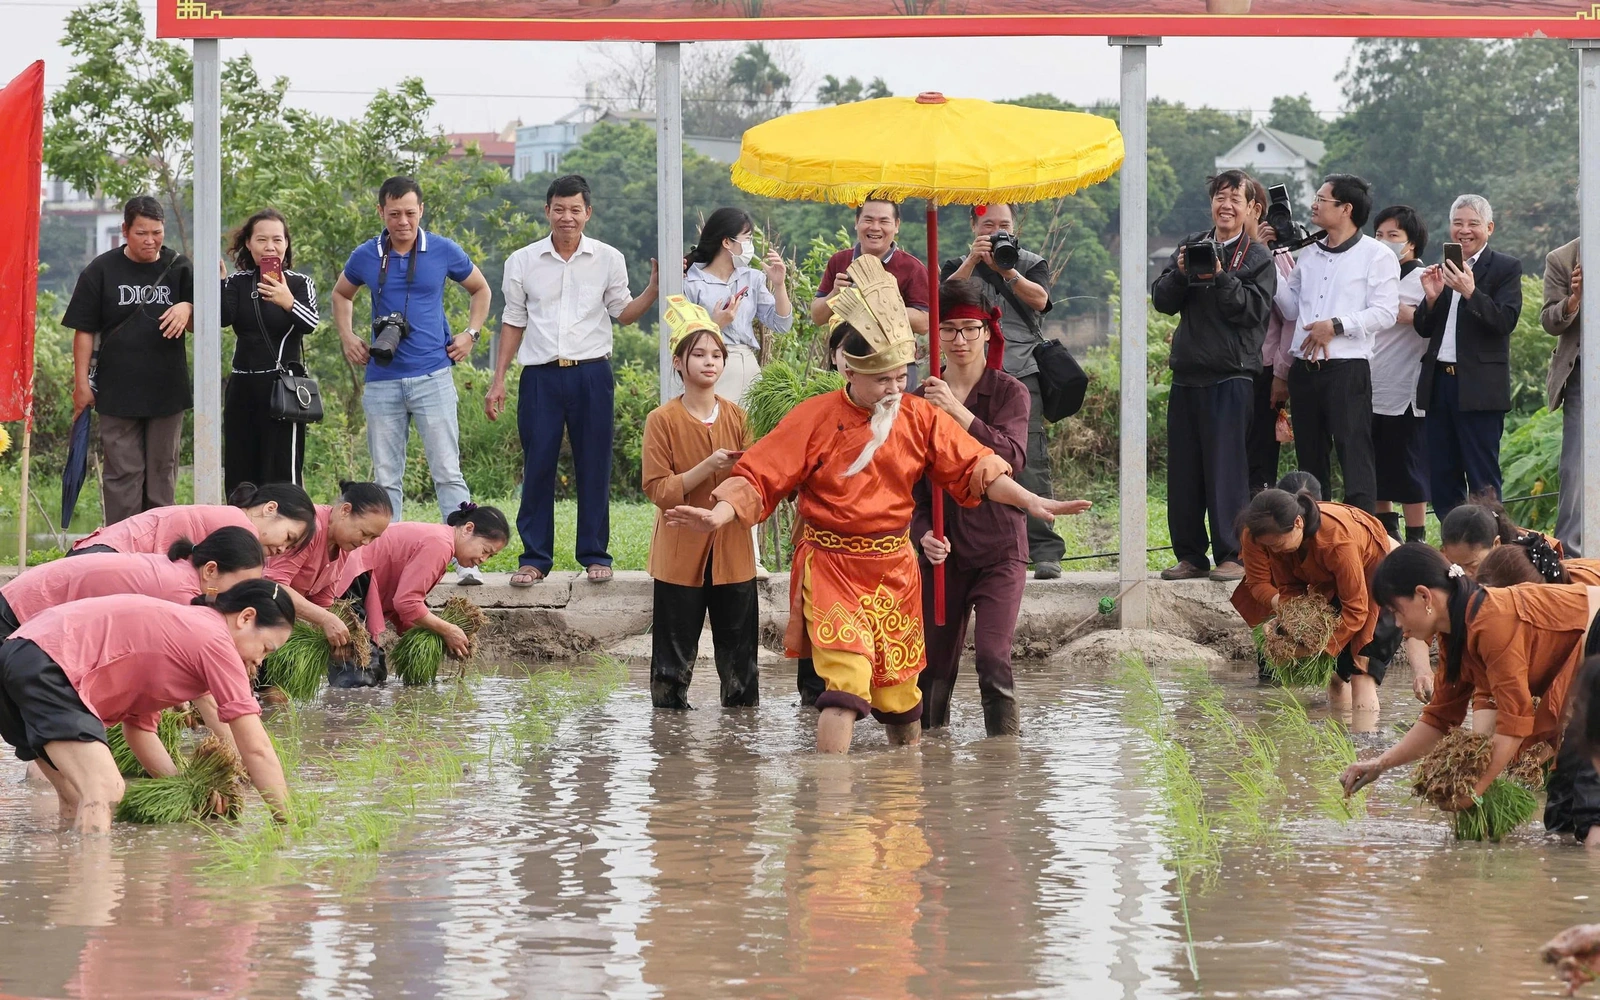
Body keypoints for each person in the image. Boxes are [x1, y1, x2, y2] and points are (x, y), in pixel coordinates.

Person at [665, 255, 1086, 753]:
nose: (895, 390)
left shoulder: (917, 417)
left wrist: (1032, 499)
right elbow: (760, 474)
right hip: (833, 568)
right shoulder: (815, 417)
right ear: (851, 370)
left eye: (901, 377)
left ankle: (905, 797)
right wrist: (717, 514)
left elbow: (977, 467)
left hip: (895, 570)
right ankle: (829, 809)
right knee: (844, 688)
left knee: (902, 702)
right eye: (883, 380)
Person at [0, 581, 296, 832]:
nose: (260, 661)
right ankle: (92, 888)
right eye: (266, 648)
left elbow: (139, 732)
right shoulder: (215, 640)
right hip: (48, 660)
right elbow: (256, 747)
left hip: (18, 653)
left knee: (77, 797)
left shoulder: (182, 633)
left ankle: (55, 885)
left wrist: (187, 790)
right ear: (246, 617)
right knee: (104, 790)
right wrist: (288, 820)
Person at [1340, 544, 1600, 826]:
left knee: (1587, 812)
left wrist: (1474, 790)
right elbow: (1440, 718)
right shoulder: (1455, 633)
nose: (1397, 624)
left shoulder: (1491, 622)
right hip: (1589, 668)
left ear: (1424, 595)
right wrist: (1379, 764)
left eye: (1396, 611)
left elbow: (1515, 722)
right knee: (1562, 816)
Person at [487, 174, 660, 587]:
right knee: (538, 465)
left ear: (588, 213)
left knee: (594, 464)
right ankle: (534, 558)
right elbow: (513, 321)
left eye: (575, 210)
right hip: (540, 378)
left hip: (592, 374)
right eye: (559, 209)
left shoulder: (608, 258)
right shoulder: (523, 260)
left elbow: (624, 311)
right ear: (547, 211)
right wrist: (499, 381)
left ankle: (595, 555)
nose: (567, 217)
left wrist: (653, 288)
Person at [332, 176, 491, 584]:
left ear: (421, 211)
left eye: (409, 212)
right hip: (382, 379)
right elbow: (341, 294)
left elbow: (480, 289)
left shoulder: (441, 249)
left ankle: (463, 559)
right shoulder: (367, 254)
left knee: (446, 469)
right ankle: (386, 559)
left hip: (433, 374)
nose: (402, 221)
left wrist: (470, 334)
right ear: (381, 212)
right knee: (386, 475)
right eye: (394, 213)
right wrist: (349, 336)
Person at [912, 279, 1033, 736]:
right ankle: (925, 760)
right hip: (944, 552)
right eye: (948, 330)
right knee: (932, 666)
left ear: (987, 331)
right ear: (936, 335)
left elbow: (1011, 458)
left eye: (969, 329)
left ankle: (1003, 758)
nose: (959, 340)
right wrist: (922, 532)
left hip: (1000, 548)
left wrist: (958, 414)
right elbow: (912, 488)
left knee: (992, 657)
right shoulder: (917, 402)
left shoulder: (1010, 393)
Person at [1151, 171, 1277, 582]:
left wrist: (1221, 277)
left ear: (1251, 209)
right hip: (1188, 373)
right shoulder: (1191, 245)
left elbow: (1253, 312)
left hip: (1231, 375)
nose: (1226, 206)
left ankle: (1232, 554)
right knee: (1184, 471)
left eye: (1235, 200)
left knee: (1226, 470)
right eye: (1220, 198)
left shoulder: (1257, 256)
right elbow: (1162, 301)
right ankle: (1189, 555)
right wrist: (1183, 272)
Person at [641, 302, 757, 710]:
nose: (710, 362)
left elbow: (756, 484)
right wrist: (705, 467)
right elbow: (657, 489)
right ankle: (670, 749)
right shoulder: (662, 419)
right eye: (699, 354)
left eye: (717, 355)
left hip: (734, 551)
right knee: (670, 671)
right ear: (678, 361)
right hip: (678, 553)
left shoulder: (741, 417)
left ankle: (741, 754)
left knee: (742, 671)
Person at [941, 203, 1067, 579]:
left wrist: (1006, 269)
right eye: (988, 224)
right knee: (965, 456)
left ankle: (1044, 549)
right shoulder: (956, 264)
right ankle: (977, 543)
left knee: (1028, 458)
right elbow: (940, 300)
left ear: (1015, 228)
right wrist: (973, 263)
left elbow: (1042, 301)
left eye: (1004, 225)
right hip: (968, 378)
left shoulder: (1029, 262)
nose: (997, 231)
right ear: (973, 225)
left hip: (1020, 373)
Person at [1235, 488, 1432, 724]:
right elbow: (1290, 589)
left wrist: (1316, 647)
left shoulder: (1337, 541)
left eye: (1277, 545)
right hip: (1340, 587)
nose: (1274, 552)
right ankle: (1338, 741)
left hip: (1382, 583)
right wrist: (1288, 624)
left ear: (1298, 523)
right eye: (1269, 548)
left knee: (1362, 670)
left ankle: (1365, 746)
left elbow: (1358, 609)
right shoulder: (1274, 541)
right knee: (1336, 676)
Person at [61, 195, 195, 525]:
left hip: (167, 391)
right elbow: (84, 332)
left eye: (157, 232)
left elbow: (203, 323)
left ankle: (159, 551)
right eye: (142, 233)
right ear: (125, 230)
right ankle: (123, 549)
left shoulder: (179, 267)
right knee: (123, 475)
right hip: (116, 392)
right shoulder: (100, 270)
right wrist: (81, 386)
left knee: (162, 474)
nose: (151, 240)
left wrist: (188, 307)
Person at [1272, 174, 1399, 514]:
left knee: (1354, 452)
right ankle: (1315, 531)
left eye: (1322, 199)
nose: (1314, 205)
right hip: (1304, 370)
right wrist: (1268, 260)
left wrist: (1337, 326)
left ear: (1346, 209)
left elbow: (1385, 312)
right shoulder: (1310, 253)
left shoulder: (1377, 254)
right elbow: (1289, 308)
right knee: (1310, 458)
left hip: (1347, 369)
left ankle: (1361, 533)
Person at [1414, 194, 1524, 520]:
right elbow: (1423, 328)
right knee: (1442, 476)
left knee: (1483, 480)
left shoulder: (1505, 267)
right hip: (1439, 386)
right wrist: (1432, 298)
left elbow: (1505, 321)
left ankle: (1491, 551)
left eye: (1473, 224)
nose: (1464, 231)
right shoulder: (1446, 266)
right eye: (1458, 223)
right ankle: (1453, 551)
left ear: (1489, 228)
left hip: (1478, 389)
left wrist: (1470, 291)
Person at [333, 503, 510, 687]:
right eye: (485, 550)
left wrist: (434, 638)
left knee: (376, 671)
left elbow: (402, 604)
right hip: (352, 579)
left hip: (359, 578)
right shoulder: (440, 544)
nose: (483, 559)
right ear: (468, 528)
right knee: (359, 677)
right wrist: (448, 630)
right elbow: (406, 603)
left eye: (490, 557)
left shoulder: (441, 542)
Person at [1, 527, 264, 638]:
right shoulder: (179, 590)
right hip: (18, 610)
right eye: (241, 586)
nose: (242, 596)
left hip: (25, 603)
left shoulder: (184, 571)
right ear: (210, 570)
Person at [220, 208, 320, 492]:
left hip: (282, 388)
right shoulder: (237, 283)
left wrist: (287, 300)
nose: (270, 247)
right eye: (261, 240)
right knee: (240, 468)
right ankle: (243, 531)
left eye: (277, 239)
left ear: (286, 243)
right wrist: (218, 283)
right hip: (242, 385)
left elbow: (311, 323)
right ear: (248, 244)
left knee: (281, 471)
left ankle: (287, 531)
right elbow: (223, 319)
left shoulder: (300, 283)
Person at [812, 196, 931, 388]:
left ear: (897, 225)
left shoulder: (912, 267)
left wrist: (879, 302)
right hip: (845, 363)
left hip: (896, 366)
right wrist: (834, 294)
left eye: (884, 221)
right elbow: (817, 316)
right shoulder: (839, 261)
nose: (875, 227)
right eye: (868, 220)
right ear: (856, 223)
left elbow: (924, 323)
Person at [681, 206, 793, 406]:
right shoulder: (691, 283)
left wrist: (779, 285)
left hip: (748, 366)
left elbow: (781, 324)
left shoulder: (752, 278)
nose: (750, 245)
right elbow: (681, 338)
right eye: (747, 239)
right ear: (726, 242)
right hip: (709, 366)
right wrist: (715, 325)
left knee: (750, 433)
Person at [264, 481, 394, 652]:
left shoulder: (344, 546)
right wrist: (326, 619)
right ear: (345, 510)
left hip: (280, 623)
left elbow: (323, 601)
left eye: (373, 538)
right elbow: (274, 586)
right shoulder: (310, 527)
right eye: (364, 533)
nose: (365, 542)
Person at [1369, 205, 1431, 544]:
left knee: (1408, 466)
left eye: (1394, 236)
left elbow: (1431, 325)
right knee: (1377, 464)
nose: (1384, 241)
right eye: (1379, 235)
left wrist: (1414, 315)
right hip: (1371, 384)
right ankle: (1386, 531)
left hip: (1405, 388)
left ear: (1412, 244)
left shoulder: (1424, 279)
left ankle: (1416, 537)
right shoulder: (1375, 275)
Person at [70, 482, 316, 559]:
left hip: (95, 555)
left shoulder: (231, 522)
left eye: (290, 548)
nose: (283, 549)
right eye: (288, 537)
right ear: (270, 509)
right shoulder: (238, 527)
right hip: (102, 558)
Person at [1249, 179, 1296, 494]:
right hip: (1230, 367)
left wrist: (1281, 374)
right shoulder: (1215, 252)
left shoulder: (1278, 259)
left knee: (1261, 454)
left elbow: (1291, 318)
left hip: (1265, 370)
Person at [1543, 236, 1584, 557]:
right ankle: (1570, 552)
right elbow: (1549, 321)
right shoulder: (1563, 258)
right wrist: (1574, 300)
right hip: (1583, 374)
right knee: (1574, 465)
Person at [1438, 494, 1562, 579]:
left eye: (1472, 566)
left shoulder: (1523, 569)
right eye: (1454, 565)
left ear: (1496, 544)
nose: (1463, 574)